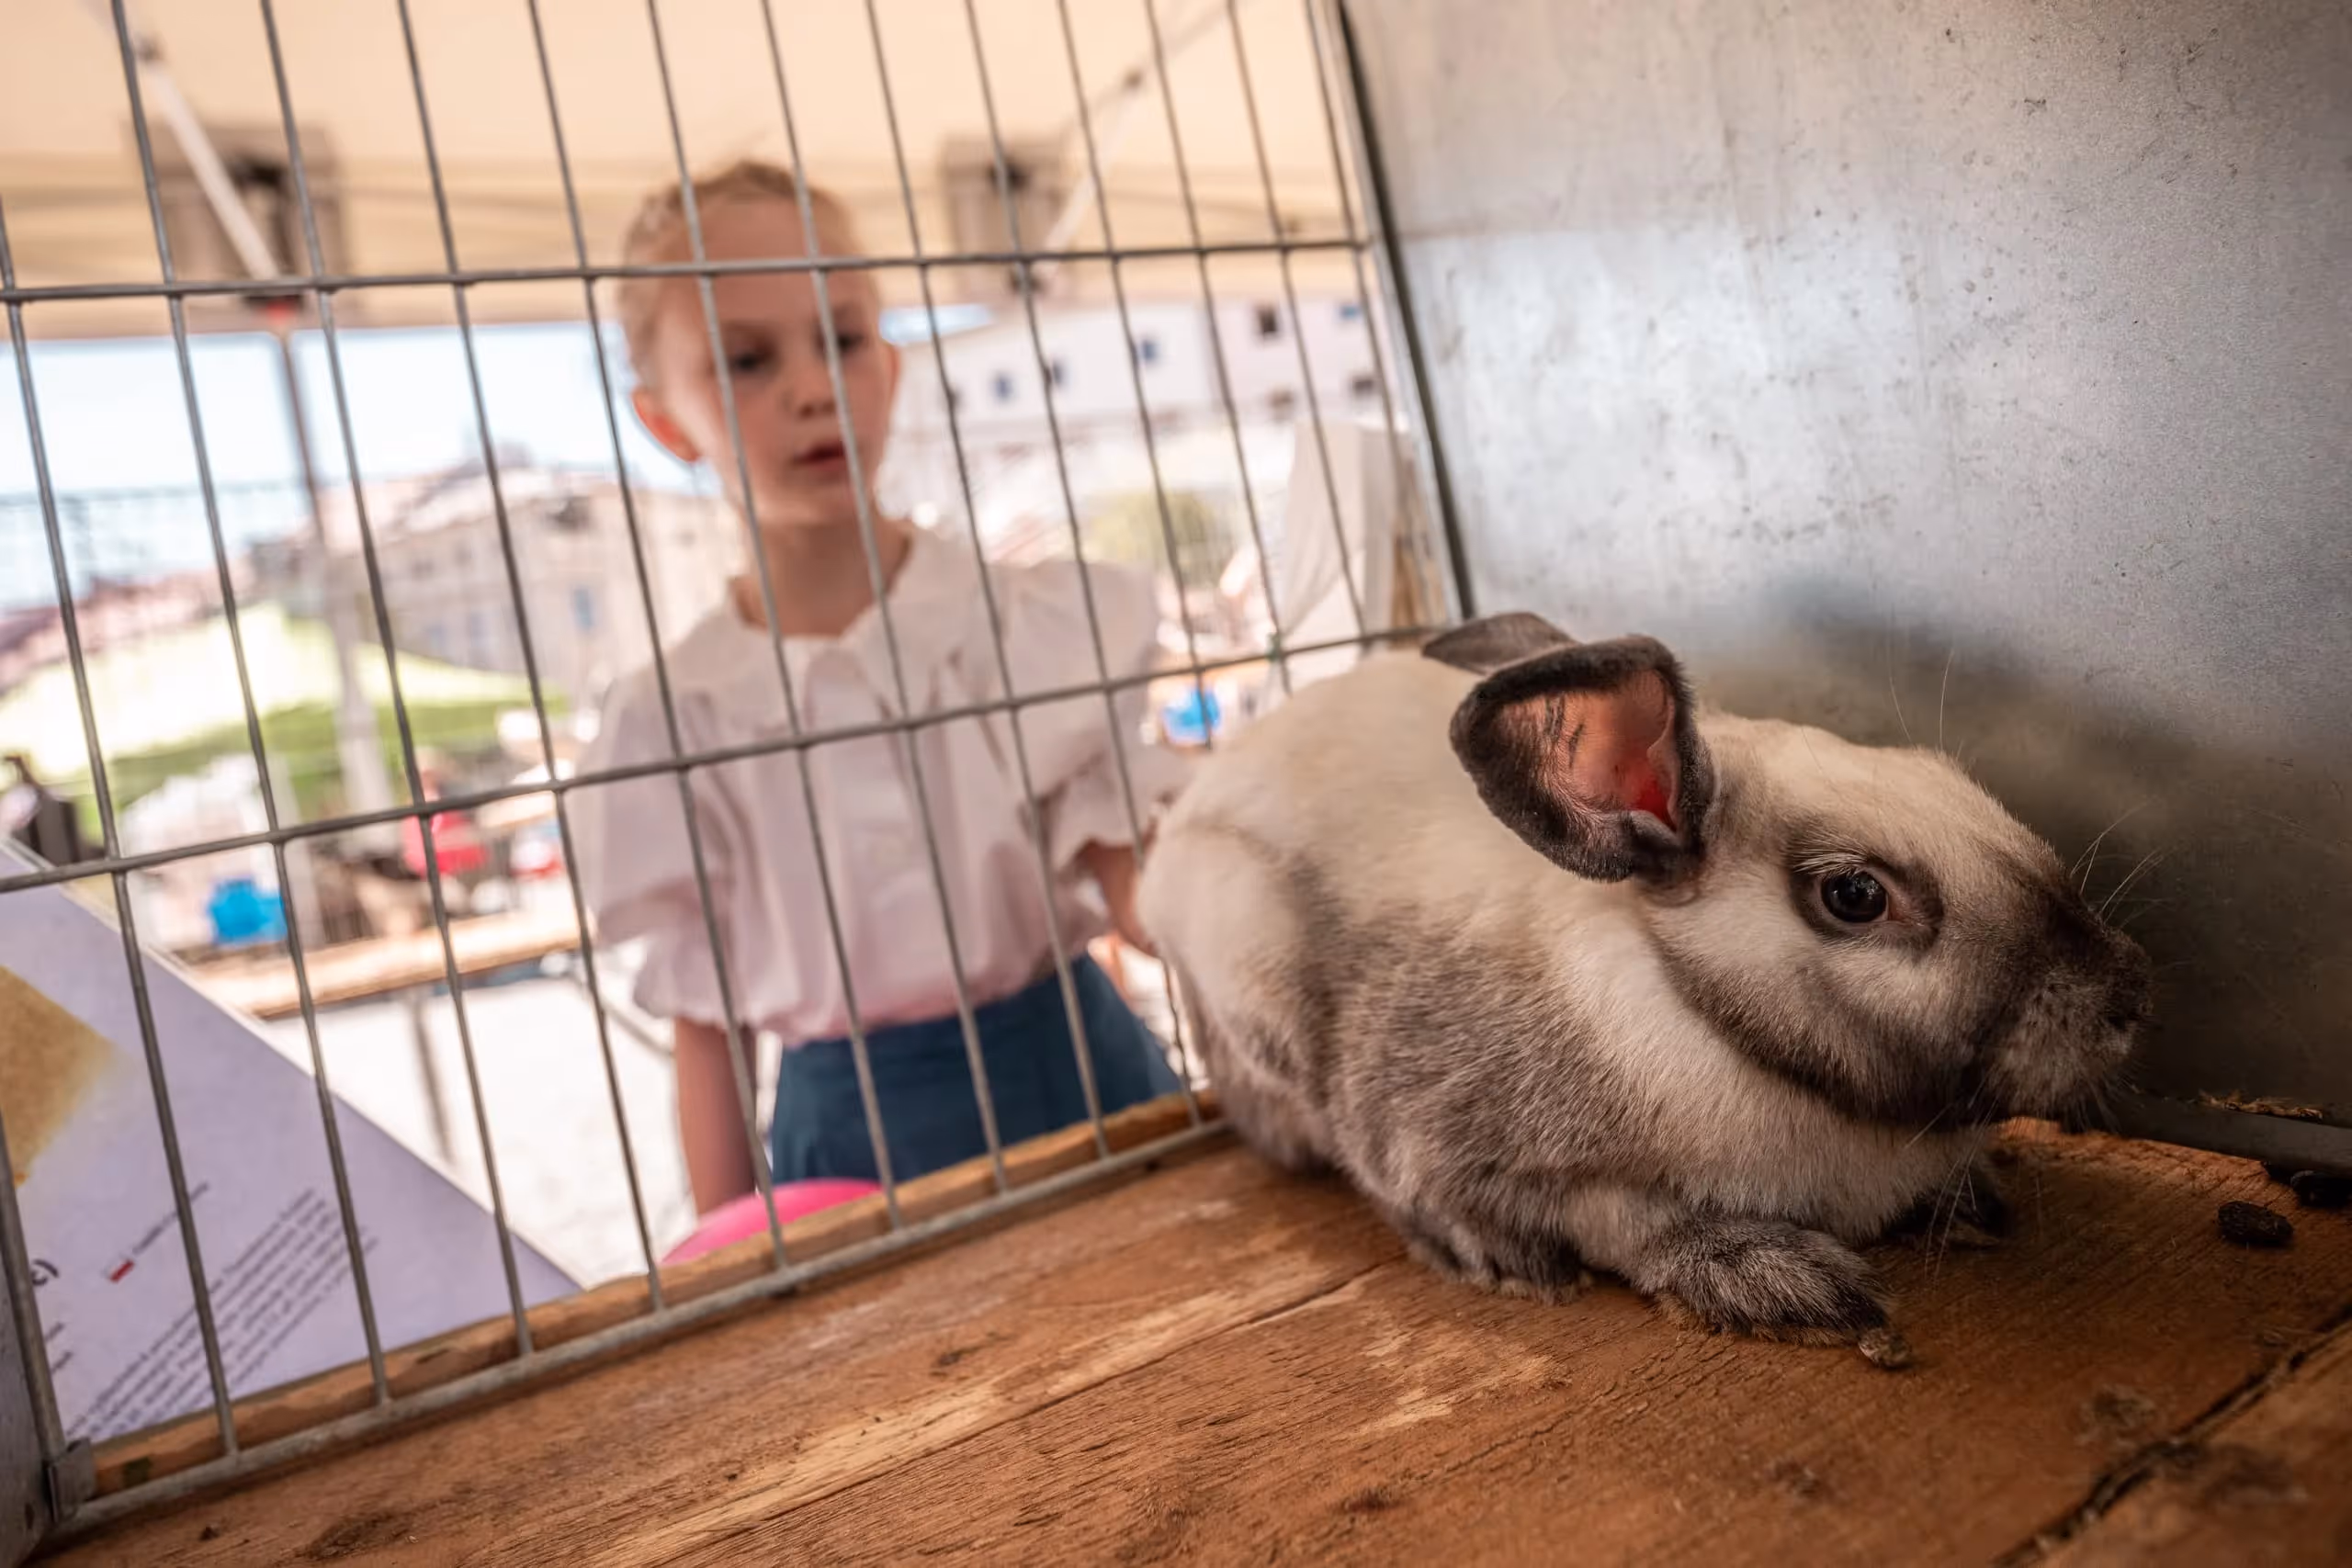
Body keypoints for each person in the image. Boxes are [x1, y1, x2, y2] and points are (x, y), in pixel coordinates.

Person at [575, 161, 1186, 1215]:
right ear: (665, 421)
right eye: (746, 359)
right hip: (846, 1162)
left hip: (1087, 1094)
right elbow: (708, 1029)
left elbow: (1141, 889)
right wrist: (731, 1260)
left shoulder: (1028, 631)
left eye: (843, 338)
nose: (813, 388)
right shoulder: (675, 721)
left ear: (890, 369)